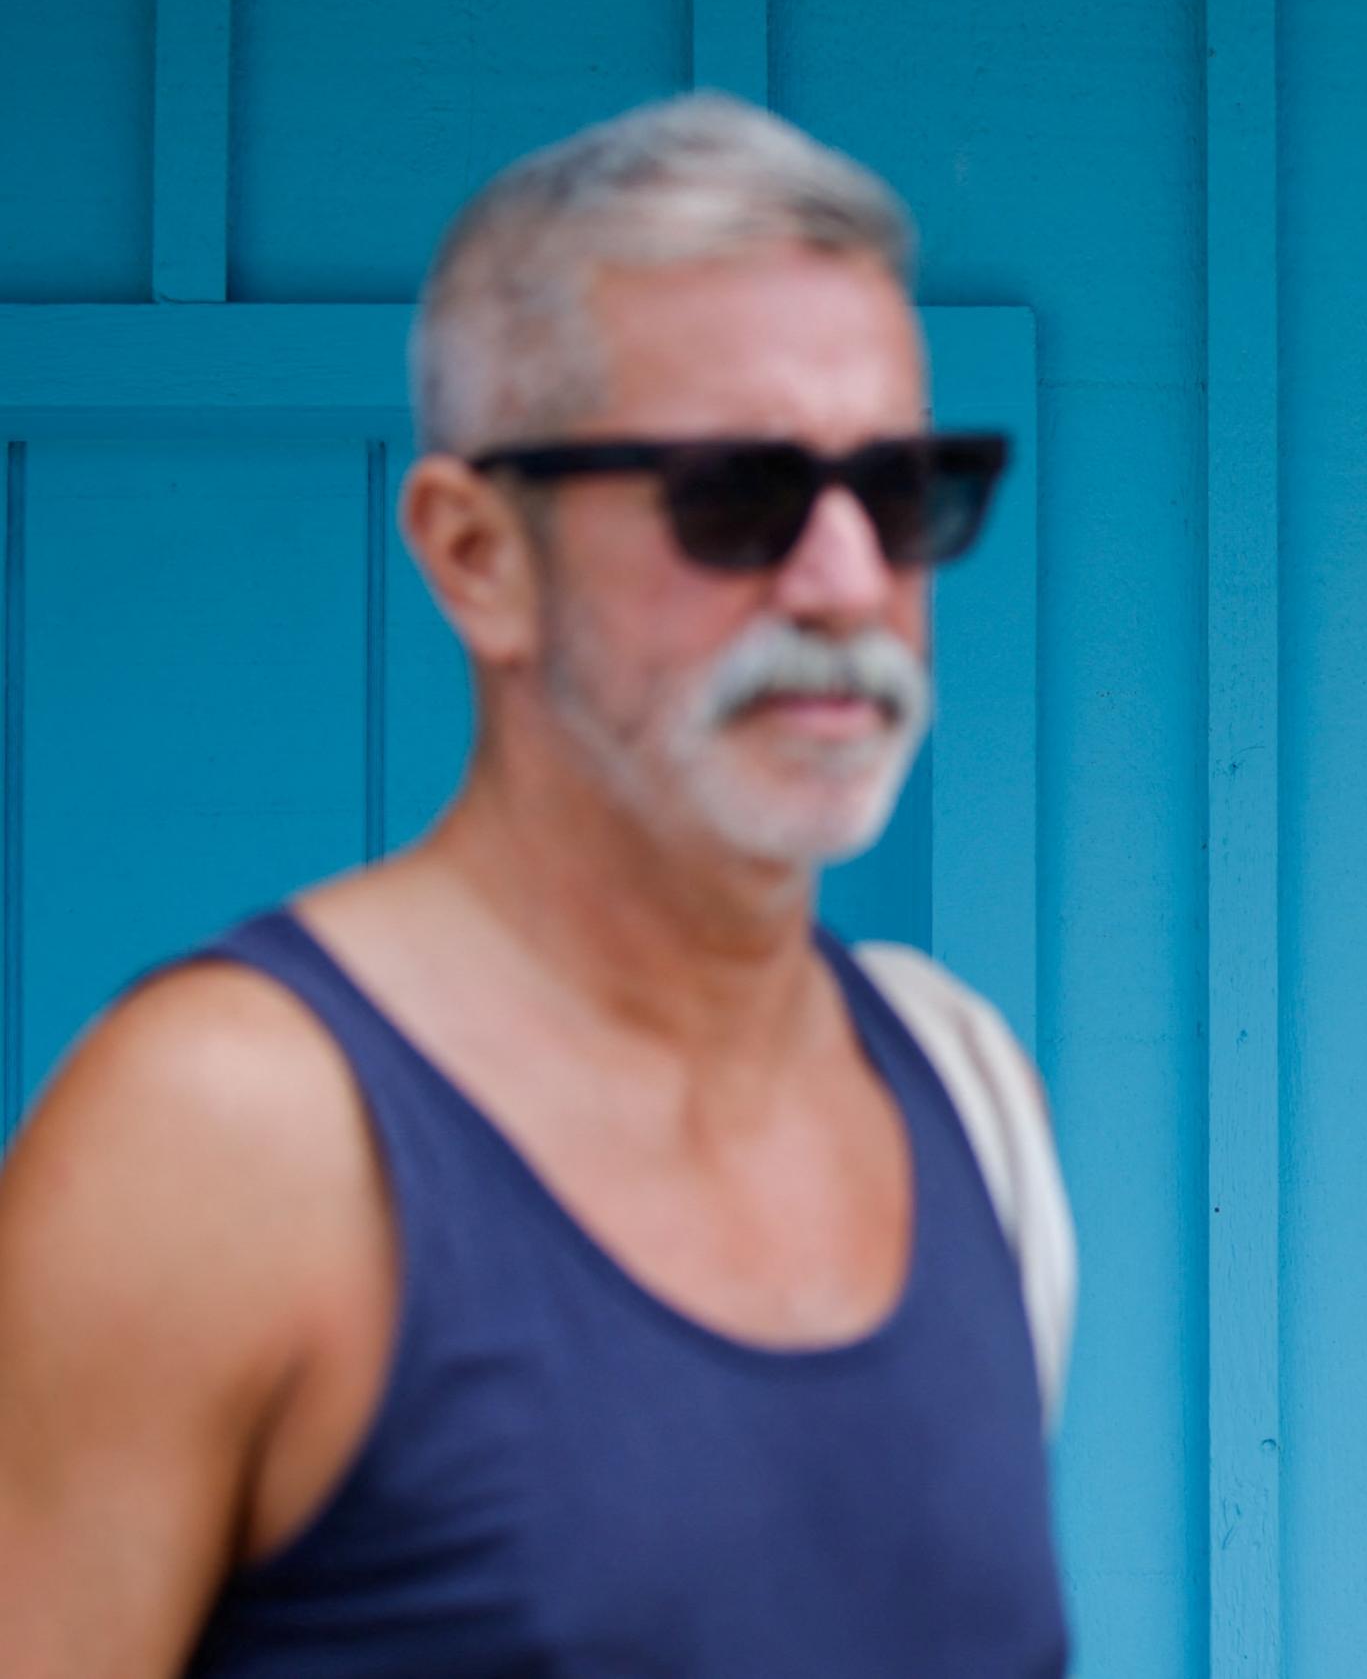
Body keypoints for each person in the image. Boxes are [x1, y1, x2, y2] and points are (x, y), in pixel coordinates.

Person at [0, 94, 1074, 1677]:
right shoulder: (233, 1138)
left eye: (903, 492)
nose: (848, 581)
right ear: (476, 555)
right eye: (737, 494)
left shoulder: (969, 1107)